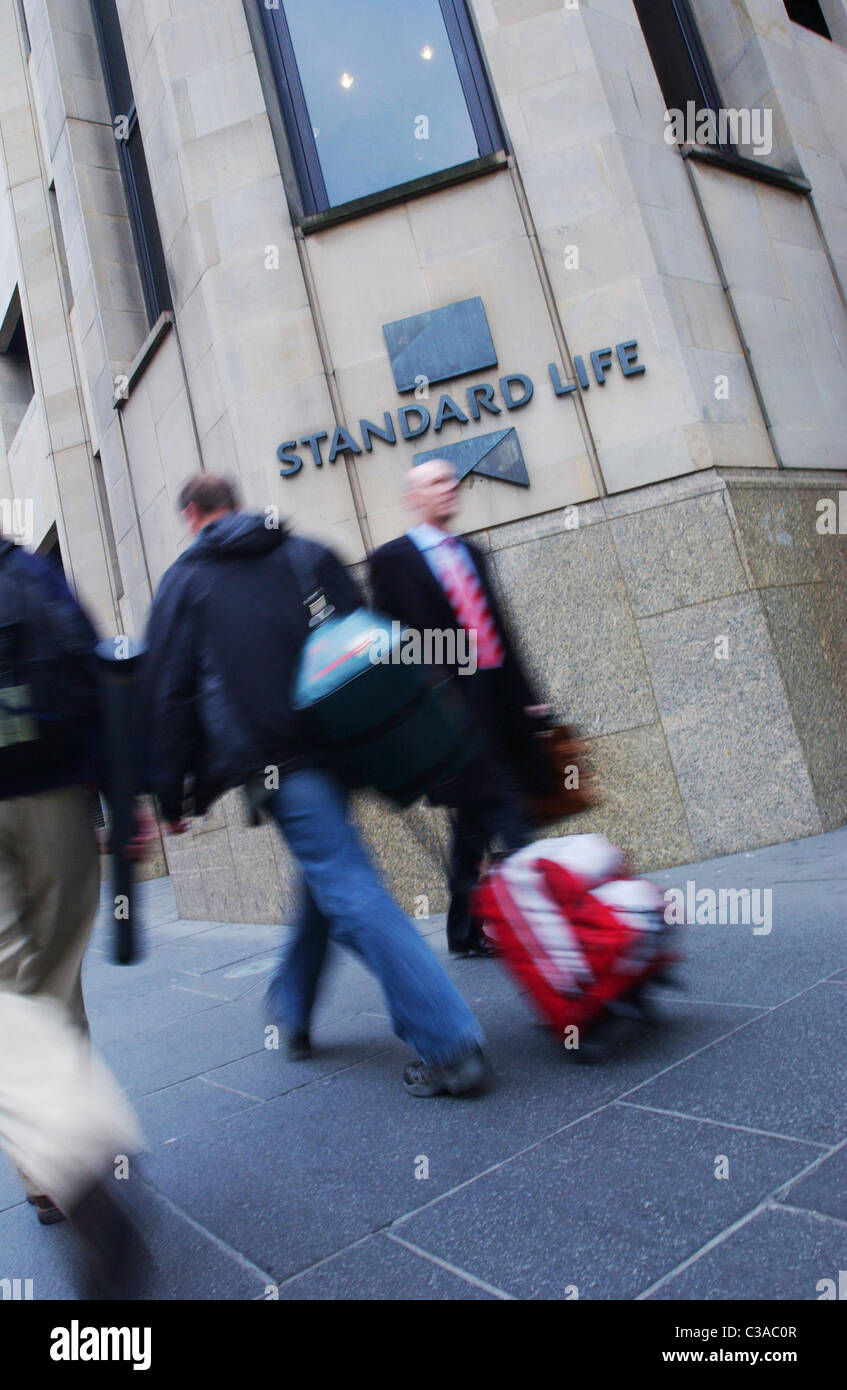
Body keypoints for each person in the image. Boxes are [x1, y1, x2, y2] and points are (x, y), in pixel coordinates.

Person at [142, 473, 488, 1098]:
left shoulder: (185, 583)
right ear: (235, 506)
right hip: (346, 743)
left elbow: (168, 694)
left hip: (277, 758)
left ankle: (451, 1043)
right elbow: (363, 640)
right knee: (327, 872)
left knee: (347, 885)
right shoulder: (305, 552)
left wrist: (171, 794)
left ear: (193, 514)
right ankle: (291, 1008)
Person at [0, 533, 149, 1296]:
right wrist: (122, 798)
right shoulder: (29, 572)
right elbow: (100, 680)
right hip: (54, 793)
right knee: (52, 984)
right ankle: (83, 1156)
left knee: (6, 996)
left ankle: (55, 1171)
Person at [368, 459, 553, 956]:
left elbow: (501, 632)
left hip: (500, 705)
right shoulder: (392, 560)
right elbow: (396, 647)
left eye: (451, 480)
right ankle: (559, 928)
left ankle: (464, 931)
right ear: (414, 497)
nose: (448, 488)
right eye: (434, 482)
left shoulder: (472, 552)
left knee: (472, 825)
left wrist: (528, 695)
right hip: (450, 716)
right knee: (509, 818)